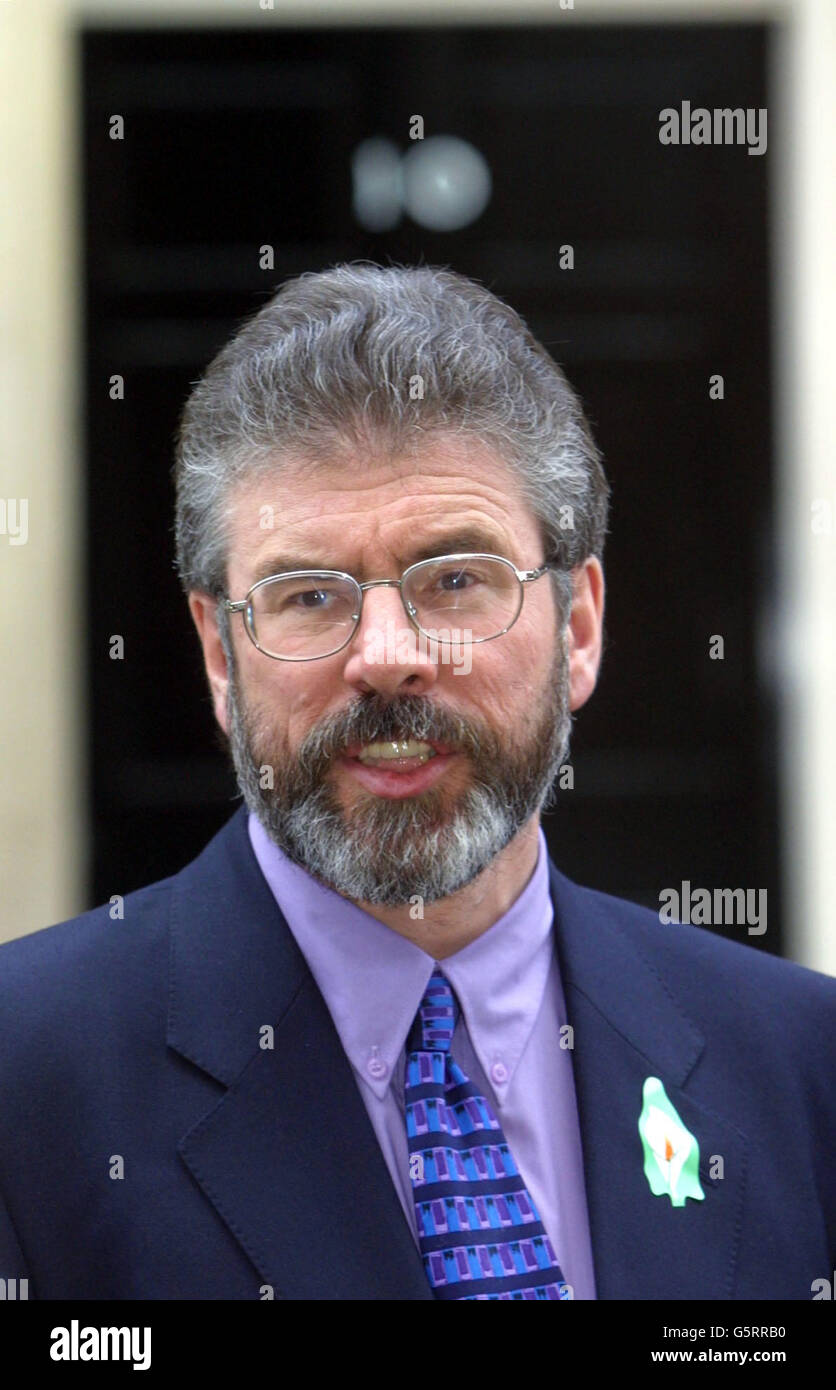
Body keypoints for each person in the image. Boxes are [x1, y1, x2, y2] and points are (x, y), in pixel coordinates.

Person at [1, 263, 833, 1301]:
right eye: (309, 595)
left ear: (577, 626)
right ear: (219, 653)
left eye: (453, 578)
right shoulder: (23, 1080)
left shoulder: (802, 1062)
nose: (387, 655)